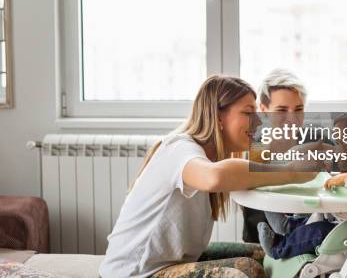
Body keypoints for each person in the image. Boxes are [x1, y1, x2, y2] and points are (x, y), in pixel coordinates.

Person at [99, 75, 320, 278]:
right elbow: (214, 177)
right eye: (247, 113)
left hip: (170, 263)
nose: (258, 122)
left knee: (270, 256)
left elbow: (249, 168)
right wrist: (292, 172)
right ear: (218, 116)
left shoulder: (210, 156)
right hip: (136, 273)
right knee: (247, 272)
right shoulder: (179, 148)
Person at [256, 110, 347, 260]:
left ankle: (279, 248)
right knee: (313, 221)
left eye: (339, 143)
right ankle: (288, 226)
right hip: (340, 223)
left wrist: (346, 179)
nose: (335, 149)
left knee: (318, 231)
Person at [242, 68, 309, 243]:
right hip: (262, 240)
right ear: (264, 110)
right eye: (281, 110)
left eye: (299, 109)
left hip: (311, 238)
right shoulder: (253, 146)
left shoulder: (316, 142)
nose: (292, 118)